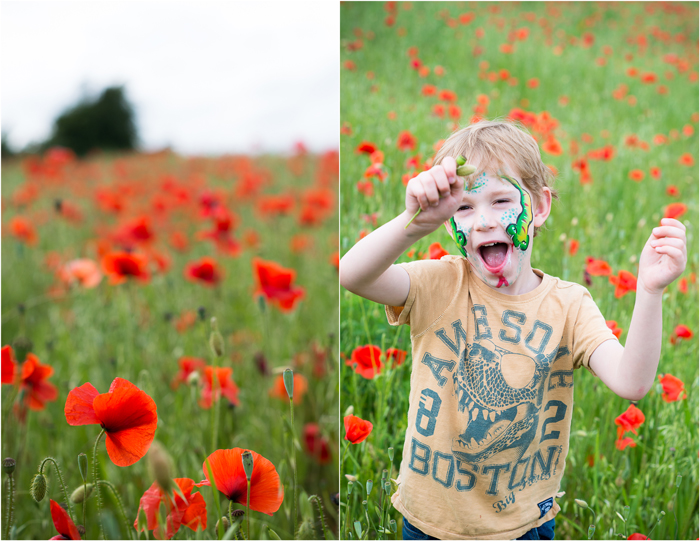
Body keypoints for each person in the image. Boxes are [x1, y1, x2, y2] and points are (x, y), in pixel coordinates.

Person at [339, 120, 687, 540]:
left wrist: (649, 290)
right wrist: (414, 223)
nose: (483, 222)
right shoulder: (440, 284)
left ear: (539, 207)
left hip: (523, 526)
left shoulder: (569, 306)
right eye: (464, 207)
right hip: (430, 523)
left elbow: (632, 382)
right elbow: (353, 275)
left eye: (501, 200)